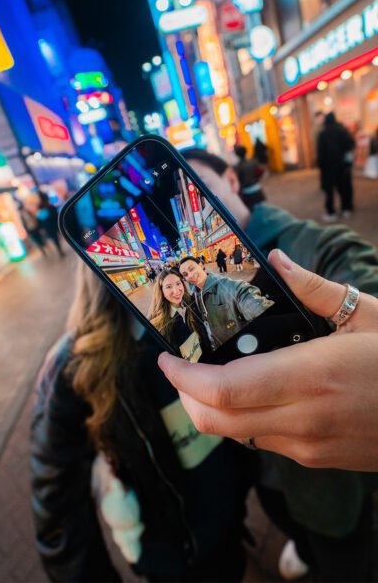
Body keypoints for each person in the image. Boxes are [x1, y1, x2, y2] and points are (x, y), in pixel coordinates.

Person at [159, 148, 378, 581]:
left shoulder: (299, 243)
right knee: (295, 526)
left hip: (332, 491)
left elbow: (355, 265)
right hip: (264, 480)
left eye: (196, 189)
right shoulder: (190, 296)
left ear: (233, 180)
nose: (193, 213)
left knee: (345, 559)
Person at [32, 263, 259, 582]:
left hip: (227, 514)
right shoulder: (71, 371)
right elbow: (60, 517)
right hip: (168, 556)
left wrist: (247, 477)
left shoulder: (189, 321)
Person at [179, 254, 274, 351]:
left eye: (191, 269)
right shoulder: (194, 297)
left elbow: (254, 305)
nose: (190, 275)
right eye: (185, 274)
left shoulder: (231, 287)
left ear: (201, 265)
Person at [147, 268, 205, 360]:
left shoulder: (192, 302)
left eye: (178, 283)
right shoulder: (157, 322)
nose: (176, 291)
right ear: (161, 291)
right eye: (168, 287)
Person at [316, 112, 355, 222]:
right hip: (343, 166)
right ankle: (346, 209)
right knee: (344, 188)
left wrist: (320, 165)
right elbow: (351, 144)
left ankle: (331, 212)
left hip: (328, 168)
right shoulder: (343, 131)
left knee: (329, 191)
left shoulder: (323, 134)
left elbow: (320, 153)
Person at [233, 145, 266, 210]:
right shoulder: (253, 162)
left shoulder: (237, 167)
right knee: (262, 209)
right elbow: (260, 172)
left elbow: (237, 181)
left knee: (252, 211)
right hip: (257, 190)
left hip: (247, 193)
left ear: (237, 154)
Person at [34, 190, 65, 257]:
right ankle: (60, 249)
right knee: (56, 236)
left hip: (48, 225)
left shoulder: (40, 207)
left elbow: (39, 218)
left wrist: (41, 227)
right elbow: (55, 214)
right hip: (53, 223)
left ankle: (59, 249)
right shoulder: (48, 205)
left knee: (54, 238)